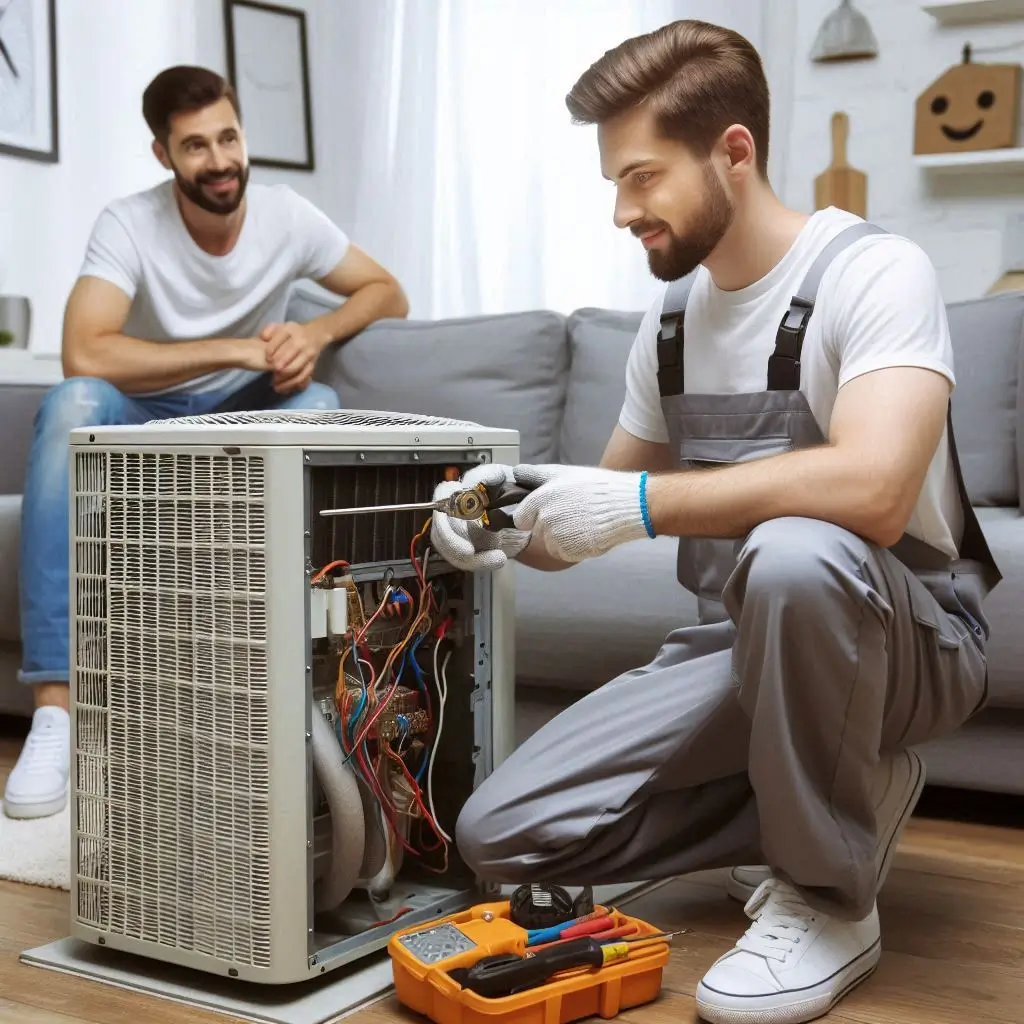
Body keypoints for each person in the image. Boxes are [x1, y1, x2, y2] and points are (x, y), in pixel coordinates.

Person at [429, 20, 999, 1024]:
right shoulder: (674, 321)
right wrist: (504, 519)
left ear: (732, 152)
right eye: (613, 182)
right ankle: (838, 798)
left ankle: (828, 895)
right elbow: (585, 510)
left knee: (795, 553)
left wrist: (639, 507)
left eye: (641, 177)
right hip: (737, 648)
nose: (620, 210)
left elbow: (870, 486)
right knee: (501, 834)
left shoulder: (874, 273)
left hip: (907, 642)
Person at [5, 65, 408, 822]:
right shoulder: (129, 223)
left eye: (228, 136)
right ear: (164, 156)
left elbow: (388, 291)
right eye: (196, 146)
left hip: (241, 410)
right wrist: (236, 349)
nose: (219, 160)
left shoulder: (287, 215)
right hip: (141, 409)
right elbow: (85, 354)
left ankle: (276, 689)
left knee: (318, 402)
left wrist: (313, 332)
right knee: (71, 403)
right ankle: (55, 712)